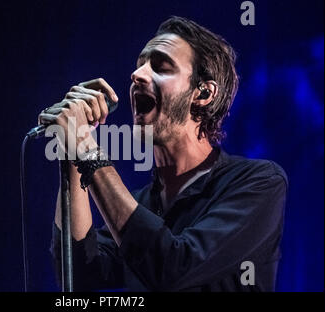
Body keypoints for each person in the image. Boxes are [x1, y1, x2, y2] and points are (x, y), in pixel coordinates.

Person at [38, 16, 287, 291]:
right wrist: (72, 150)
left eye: (161, 67)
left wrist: (86, 147)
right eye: (139, 65)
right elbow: (78, 276)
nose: (137, 75)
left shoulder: (258, 182)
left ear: (203, 93)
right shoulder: (140, 204)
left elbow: (174, 268)